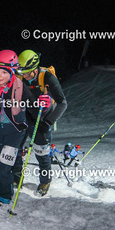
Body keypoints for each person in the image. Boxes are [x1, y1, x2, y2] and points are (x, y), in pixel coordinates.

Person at [0, 50, 50, 207]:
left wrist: (44, 105)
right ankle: (3, 186)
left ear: (12, 72)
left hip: (15, 132)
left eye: (4, 72)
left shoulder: (20, 86)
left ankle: (5, 196)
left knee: (3, 167)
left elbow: (34, 108)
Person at [13, 50, 68, 196]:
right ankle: (16, 179)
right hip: (25, 115)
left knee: (41, 152)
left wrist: (48, 122)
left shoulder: (48, 77)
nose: (24, 76)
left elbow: (63, 103)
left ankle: (45, 181)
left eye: (27, 73)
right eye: (22, 72)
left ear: (35, 68)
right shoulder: (19, 76)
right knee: (16, 148)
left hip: (43, 118)